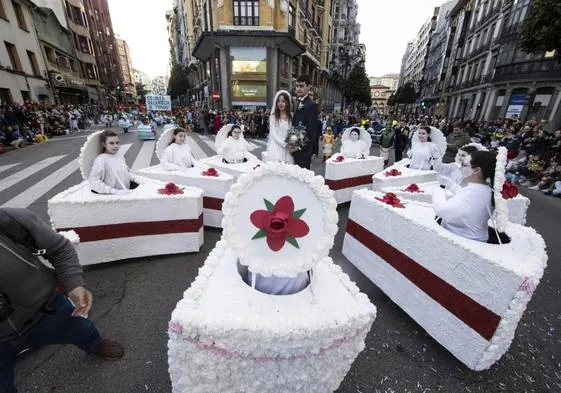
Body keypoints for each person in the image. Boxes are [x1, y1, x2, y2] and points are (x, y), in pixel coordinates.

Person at [0, 207, 124, 393]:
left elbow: (59, 249)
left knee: (82, 329)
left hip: (48, 311)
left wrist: (74, 284)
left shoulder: (10, 221)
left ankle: (94, 344)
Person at [432, 151, 496, 242]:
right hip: (474, 237)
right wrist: (450, 185)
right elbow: (465, 199)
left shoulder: (473, 193)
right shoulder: (486, 188)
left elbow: (441, 210)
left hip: (462, 238)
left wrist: (438, 191)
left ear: (477, 170)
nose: (461, 168)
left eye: (465, 165)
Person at [88, 130, 142, 194]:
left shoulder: (119, 156)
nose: (116, 146)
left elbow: (125, 173)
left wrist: (136, 179)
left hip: (127, 194)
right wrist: (114, 192)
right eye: (111, 143)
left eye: (117, 143)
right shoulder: (101, 160)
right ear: (104, 144)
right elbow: (94, 182)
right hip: (113, 198)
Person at [290, 74, 319, 169]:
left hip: (303, 152)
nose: (298, 89)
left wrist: (298, 147)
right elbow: (295, 126)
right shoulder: (299, 102)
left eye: (301, 86)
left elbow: (311, 132)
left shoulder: (312, 105)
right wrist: (292, 143)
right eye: (297, 86)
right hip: (295, 151)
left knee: (301, 181)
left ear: (308, 87)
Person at [266, 90, 294, 164]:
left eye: (283, 101)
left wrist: (292, 142)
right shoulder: (273, 117)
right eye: (279, 101)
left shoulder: (291, 116)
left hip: (288, 149)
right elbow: (273, 134)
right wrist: (285, 144)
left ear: (287, 103)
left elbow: (293, 132)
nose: (280, 104)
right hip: (277, 147)